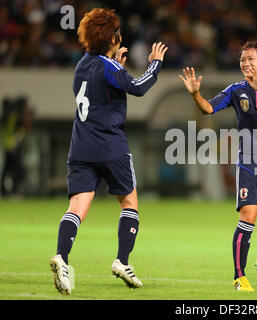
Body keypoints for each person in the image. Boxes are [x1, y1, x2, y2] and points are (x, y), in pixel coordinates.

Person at [49, 7, 168, 295]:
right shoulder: (110, 67)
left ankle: (62, 258)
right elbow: (138, 87)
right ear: (112, 38)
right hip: (110, 146)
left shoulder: (83, 65)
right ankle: (122, 261)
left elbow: (100, 87)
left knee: (77, 207)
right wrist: (155, 64)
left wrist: (115, 63)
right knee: (129, 203)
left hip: (80, 146)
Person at [179, 40, 257, 291]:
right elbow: (208, 108)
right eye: (242, 60)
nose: (246, 64)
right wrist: (195, 94)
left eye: (251, 59)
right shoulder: (236, 90)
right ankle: (239, 277)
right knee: (249, 216)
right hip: (251, 159)